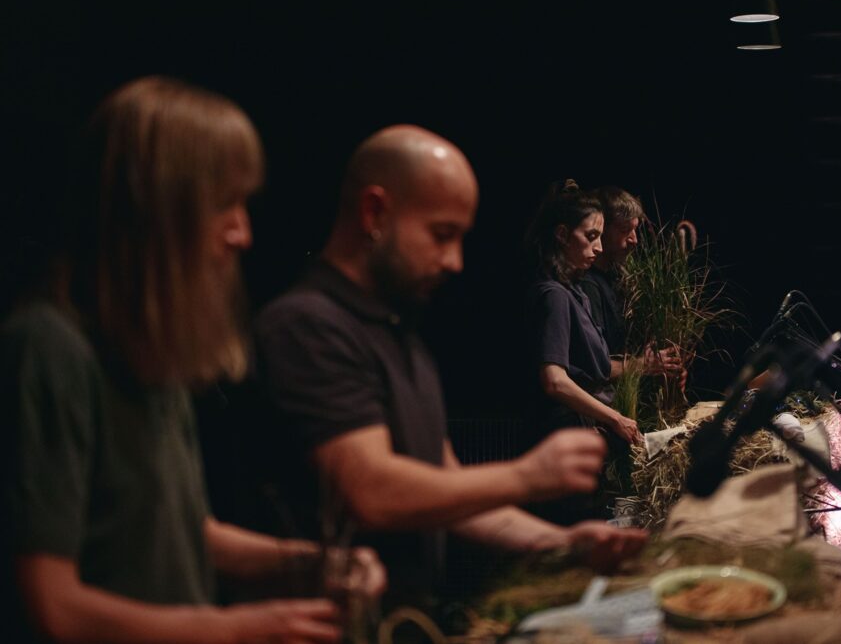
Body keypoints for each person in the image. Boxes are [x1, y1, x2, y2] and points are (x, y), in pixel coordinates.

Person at [1, 76, 383, 644]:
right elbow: (52, 606)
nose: (243, 233)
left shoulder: (150, 354)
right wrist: (231, 630)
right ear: (153, 209)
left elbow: (187, 531)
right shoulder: (49, 349)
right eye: (224, 205)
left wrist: (314, 562)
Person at [254, 125, 646, 606]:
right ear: (374, 212)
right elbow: (371, 491)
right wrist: (526, 475)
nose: (456, 261)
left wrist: (563, 543)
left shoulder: (400, 335)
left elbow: (447, 494)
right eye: (442, 235)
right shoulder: (308, 325)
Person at [524, 180, 644, 452]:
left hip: (580, 431)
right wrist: (615, 418)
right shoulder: (553, 295)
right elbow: (555, 380)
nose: (599, 247)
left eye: (601, 237)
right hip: (560, 440)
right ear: (563, 235)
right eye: (591, 237)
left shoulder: (575, 294)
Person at [579, 186, 687, 387]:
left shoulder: (620, 280)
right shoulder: (587, 286)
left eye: (635, 229)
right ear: (602, 229)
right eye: (624, 230)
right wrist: (644, 365)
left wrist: (666, 368)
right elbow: (592, 366)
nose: (634, 240)